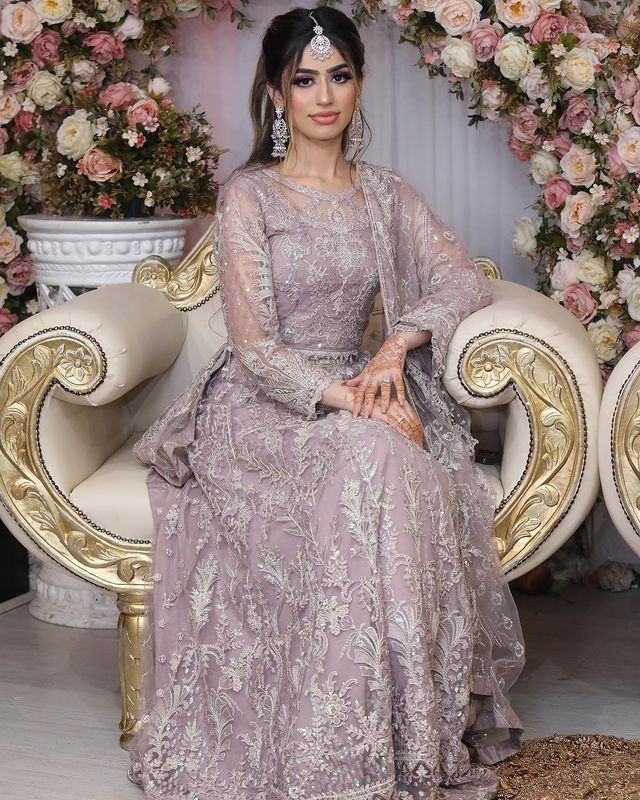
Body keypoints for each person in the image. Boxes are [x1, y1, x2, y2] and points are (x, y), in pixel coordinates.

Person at [127, 6, 525, 799]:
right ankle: (333, 754)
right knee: (375, 448)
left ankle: (396, 741)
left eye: (339, 75)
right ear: (276, 94)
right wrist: (346, 398)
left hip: (363, 381)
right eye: (304, 80)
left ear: (360, 84)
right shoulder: (251, 196)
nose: (323, 95)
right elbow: (253, 344)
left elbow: (459, 279)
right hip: (263, 406)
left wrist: (395, 345)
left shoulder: (385, 195)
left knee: (385, 455)